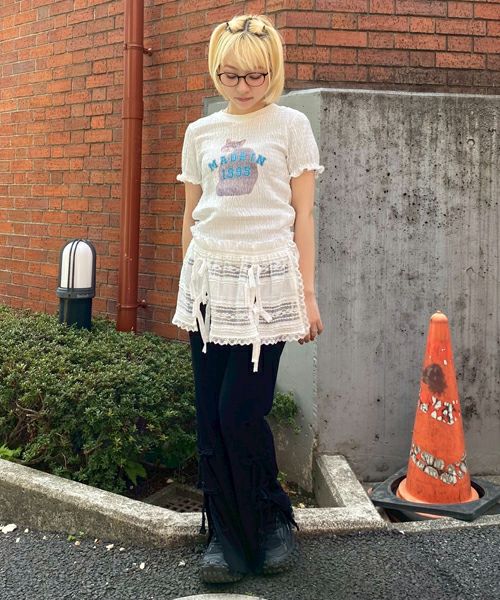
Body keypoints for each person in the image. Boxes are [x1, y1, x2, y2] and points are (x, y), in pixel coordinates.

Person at [172, 14, 324, 583]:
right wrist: (186, 290)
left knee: (241, 410)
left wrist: (308, 296)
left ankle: (269, 522)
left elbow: (303, 216)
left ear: (273, 71)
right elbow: (190, 216)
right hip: (209, 283)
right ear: (216, 72)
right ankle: (224, 536)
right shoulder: (199, 133)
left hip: (266, 286)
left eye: (255, 75)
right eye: (231, 75)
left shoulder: (290, 126)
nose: (243, 86)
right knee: (211, 413)